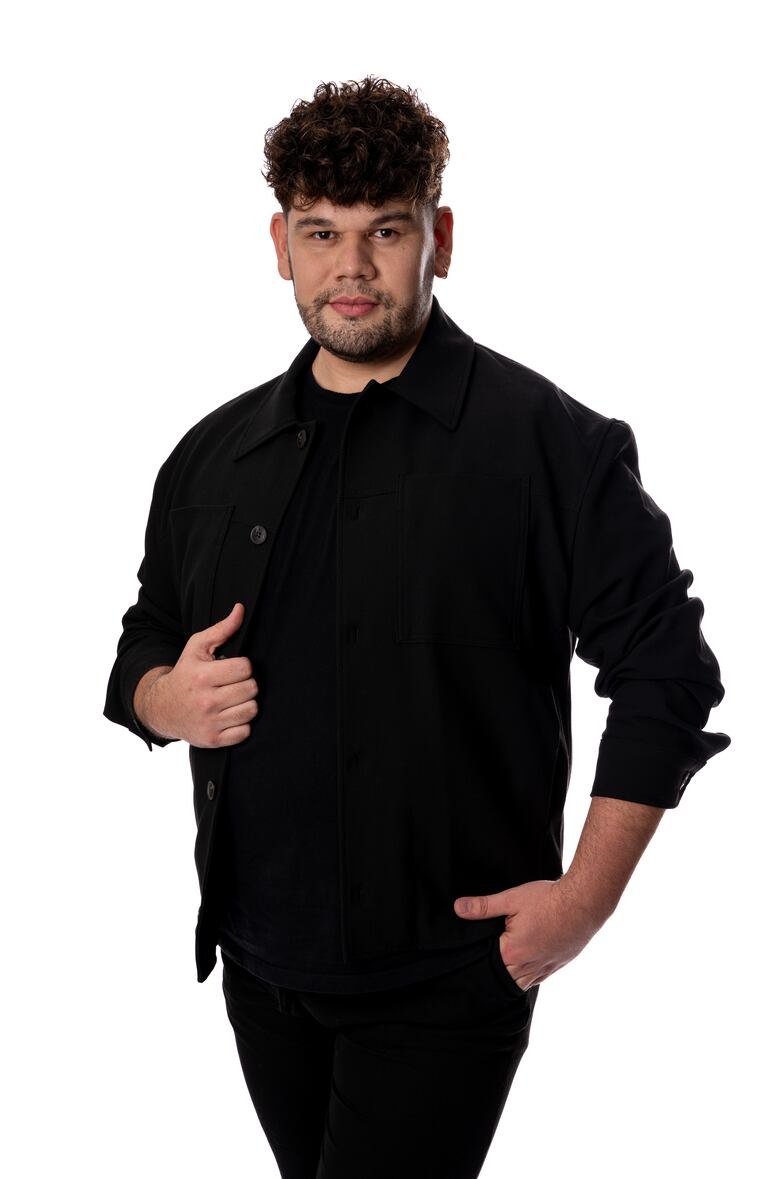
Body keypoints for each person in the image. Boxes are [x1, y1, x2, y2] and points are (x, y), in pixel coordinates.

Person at [103, 76, 731, 1179]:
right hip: (259, 967)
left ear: (439, 238)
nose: (350, 266)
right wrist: (165, 698)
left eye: (384, 231)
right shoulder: (210, 454)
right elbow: (144, 638)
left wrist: (582, 903)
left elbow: (667, 672)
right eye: (321, 232)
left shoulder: (551, 445)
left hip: (450, 976)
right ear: (280, 245)